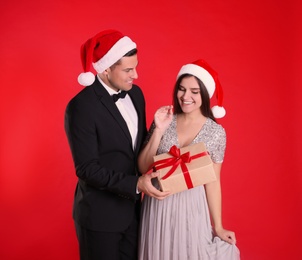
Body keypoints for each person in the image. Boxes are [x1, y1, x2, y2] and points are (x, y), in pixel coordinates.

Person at [64, 29, 169, 260]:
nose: (136, 75)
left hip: (135, 213)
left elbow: (138, 152)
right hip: (99, 217)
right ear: (106, 68)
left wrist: (159, 131)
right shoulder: (81, 107)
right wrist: (136, 184)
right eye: (128, 70)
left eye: (136, 67)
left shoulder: (136, 95)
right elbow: (86, 168)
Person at [138, 59, 240, 259]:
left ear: (204, 93)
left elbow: (213, 180)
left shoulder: (216, 132)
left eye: (194, 91)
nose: (186, 97)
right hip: (159, 202)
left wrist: (218, 226)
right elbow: (142, 167)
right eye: (182, 89)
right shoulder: (165, 119)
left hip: (193, 206)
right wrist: (158, 130)